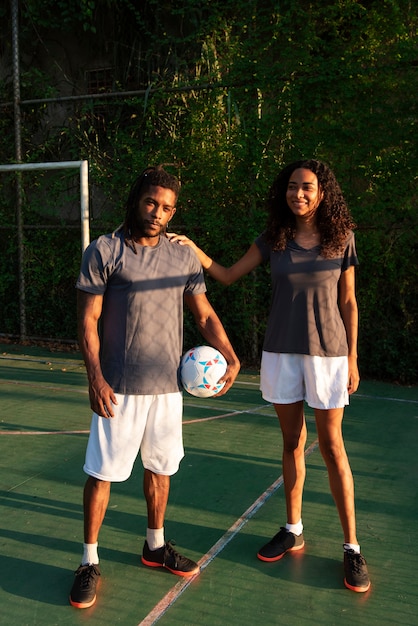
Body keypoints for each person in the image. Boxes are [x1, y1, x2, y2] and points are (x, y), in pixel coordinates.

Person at [169, 159, 370, 593]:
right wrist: (191, 248)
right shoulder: (274, 239)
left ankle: (352, 548)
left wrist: (353, 357)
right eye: (293, 187)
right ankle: (293, 528)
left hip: (329, 355)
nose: (299, 194)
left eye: (308, 188)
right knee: (291, 443)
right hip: (281, 352)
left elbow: (349, 302)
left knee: (333, 447)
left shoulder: (342, 238)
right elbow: (225, 275)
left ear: (323, 193)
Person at [70, 165, 240, 609]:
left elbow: (203, 315)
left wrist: (232, 353)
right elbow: (88, 320)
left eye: (166, 208)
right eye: (151, 203)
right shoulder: (104, 250)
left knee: (161, 471)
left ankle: (155, 545)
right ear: (135, 199)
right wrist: (95, 376)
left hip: (168, 388)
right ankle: (89, 560)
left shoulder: (182, 255)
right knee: (103, 474)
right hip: (118, 387)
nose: (157, 213)